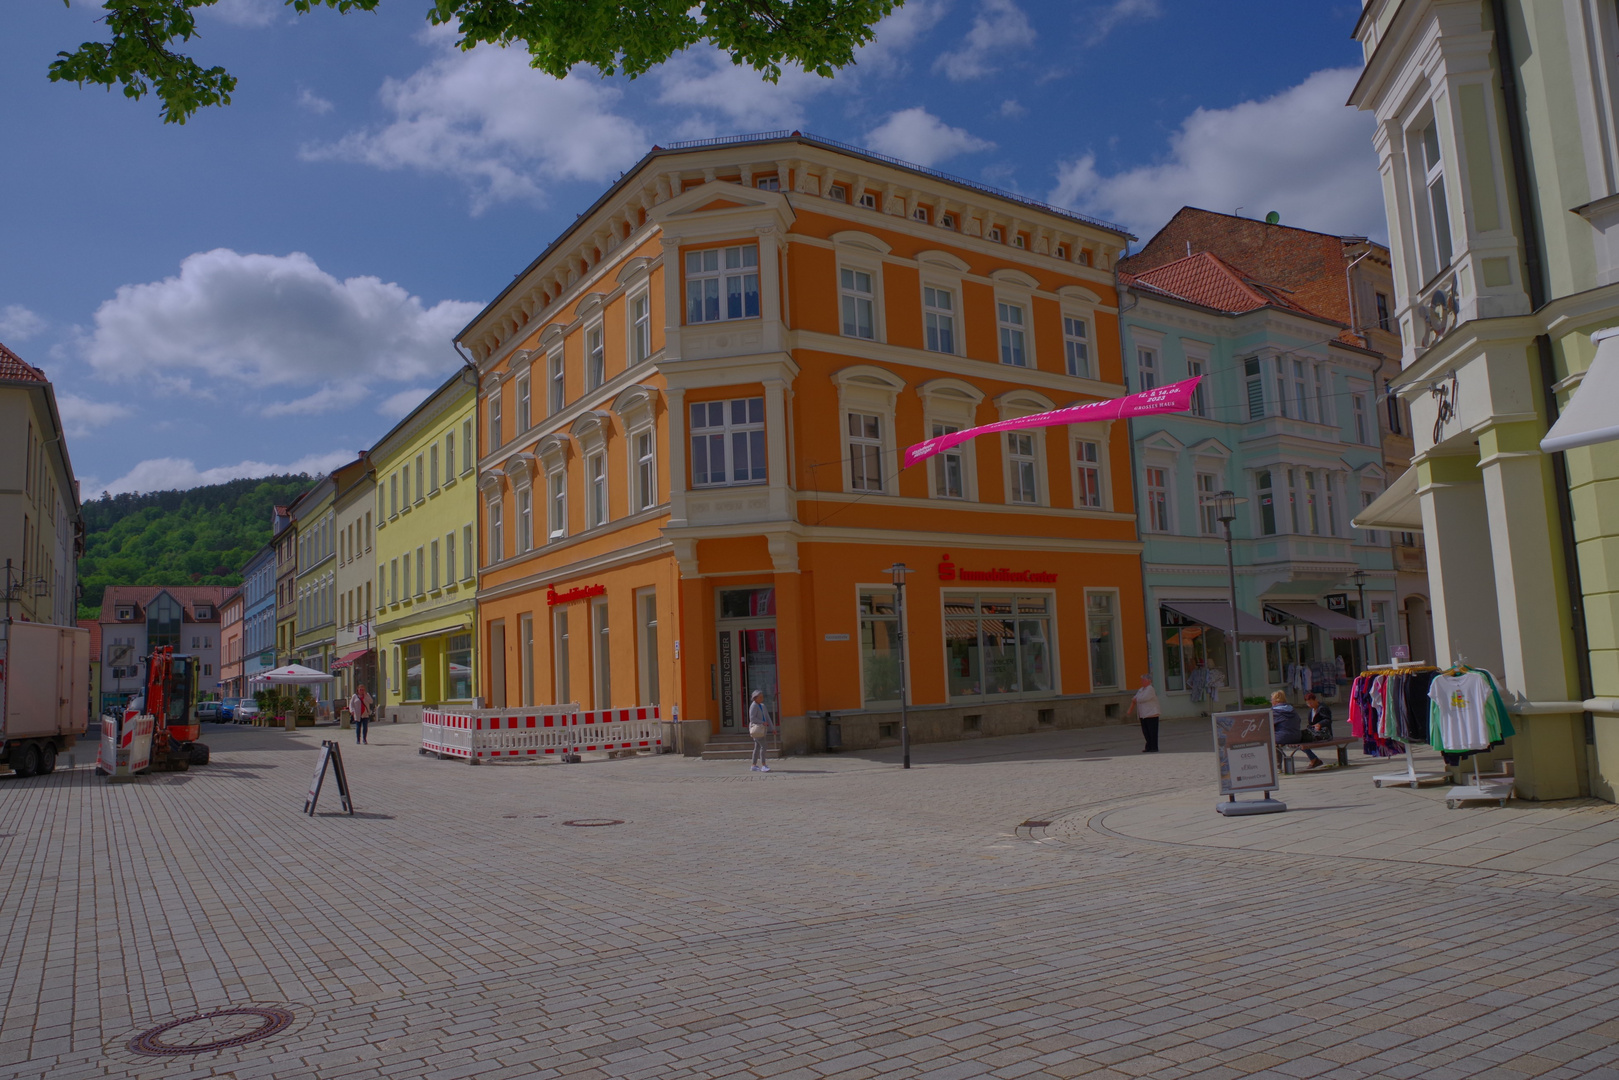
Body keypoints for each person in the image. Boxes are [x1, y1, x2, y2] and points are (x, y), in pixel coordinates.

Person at [1271, 690, 1322, 769]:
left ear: (1275, 700)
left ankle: (1277, 767)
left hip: (1283, 737)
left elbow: (1270, 725)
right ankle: (1313, 758)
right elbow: (1299, 720)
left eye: (1271, 699)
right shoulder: (1291, 709)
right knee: (1300, 743)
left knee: (1274, 743)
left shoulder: (1274, 711)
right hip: (1296, 736)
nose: (1271, 701)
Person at [1125, 673, 1161, 753]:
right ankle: (1148, 746)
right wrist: (1135, 700)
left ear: (1149, 681)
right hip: (1143, 714)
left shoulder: (1150, 689)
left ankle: (1154, 747)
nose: (1142, 681)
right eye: (1142, 680)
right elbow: (1135, 697)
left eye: (1144, 680)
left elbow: (1143, 698)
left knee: (1152, 731)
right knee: (1146, 731)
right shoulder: (1141, 689)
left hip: (1152, 714)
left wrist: (1136, 699)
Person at [747, 690, 775, 772]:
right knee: (764, 746)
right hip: (756, 730)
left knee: (757, 747)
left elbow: (767, 717)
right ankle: (763, 765)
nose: (762, 698)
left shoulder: (762, 706)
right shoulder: (753, 706)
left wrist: (772, 728)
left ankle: (753, 765)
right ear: (755, 698)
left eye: (762, 696)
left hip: (762, 730)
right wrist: (762, 722)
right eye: (760, 697)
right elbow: (752, 718)